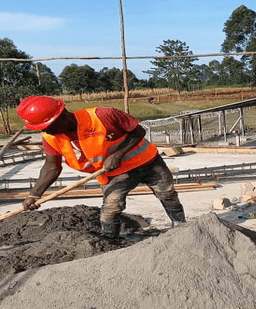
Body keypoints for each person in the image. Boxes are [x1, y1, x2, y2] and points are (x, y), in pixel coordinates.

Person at [16, 96, 186, 239]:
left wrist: (118, 154)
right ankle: (110, 241)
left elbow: (138, 131)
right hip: (114, 174)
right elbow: (51, 167)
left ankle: (180, 228)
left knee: (167, 194)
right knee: (112, 206)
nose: (47, 131)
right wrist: (34, 195)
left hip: (147, 162)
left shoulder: (103, 116)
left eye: (48, 127)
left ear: (62, 115)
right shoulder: (51, 137)